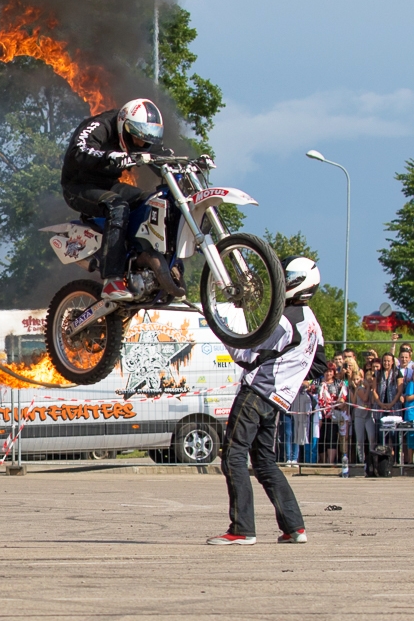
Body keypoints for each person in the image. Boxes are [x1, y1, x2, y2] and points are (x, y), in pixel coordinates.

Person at [208, 257, 326, 546]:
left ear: (297, 283)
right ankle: (294, 527)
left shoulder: (284, 320)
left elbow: (246, 355)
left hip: (256, 393)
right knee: (264, 461)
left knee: (234, 456)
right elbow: (320, 364)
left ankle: (242, 529)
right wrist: (290, 373)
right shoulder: (312, 324)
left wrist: (223, 328)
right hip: (277, 399)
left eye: (284, 279)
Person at [59, 98, 182, 301]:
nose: (141, 144)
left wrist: (188, 163)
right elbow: (78, 151)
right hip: (79, 187)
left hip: (109, 185)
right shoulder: (100, 125)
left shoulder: (142, 137)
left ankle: (144, 261)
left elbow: (159, 155)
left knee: (151, 201)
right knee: (118, 206)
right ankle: (112, 279)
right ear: (124, 126)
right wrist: (109, 156)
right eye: (136, 138)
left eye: (146, 140)